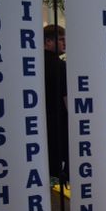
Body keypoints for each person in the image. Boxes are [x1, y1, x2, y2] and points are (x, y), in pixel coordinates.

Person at [43, 24, 69, 180]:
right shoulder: (59, 65)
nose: (64, 43)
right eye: (60, 39)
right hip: (58, 124)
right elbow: (66, 98)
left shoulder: (33, 64)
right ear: (48, 41)